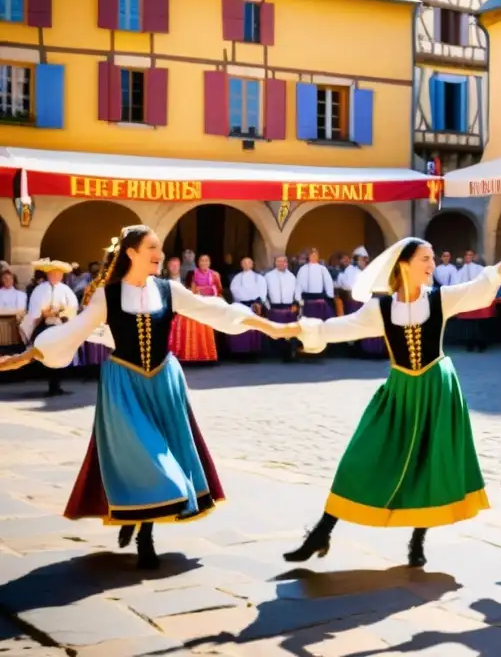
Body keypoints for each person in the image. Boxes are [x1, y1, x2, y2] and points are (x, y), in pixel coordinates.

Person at [0, 226, 290, 568]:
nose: (160, 254)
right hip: (123, 383)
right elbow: (70, 333)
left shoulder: (171, 291)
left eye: (160, 247)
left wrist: (271, 326)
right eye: (152, 247)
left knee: (161, 451)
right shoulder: (106, 296)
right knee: (144, 454)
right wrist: (23, 357)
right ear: (131, 253)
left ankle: (143, 528)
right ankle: (138, 522)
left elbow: (217, 312)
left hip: (164, 381)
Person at [283, 227, 501, 567]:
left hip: (437, 390)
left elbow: (491, 279)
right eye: (425, 259)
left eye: (432, 259)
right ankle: (322, 532)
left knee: (430, 464)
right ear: (404, 264)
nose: (432, 265)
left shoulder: (441, 298)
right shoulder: (380, 309)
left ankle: (417, 541)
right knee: (359, 458)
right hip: (400, 393)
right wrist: (297, 329)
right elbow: (339, 327)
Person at [21, 258, 79, 396]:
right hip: (45, 327)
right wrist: (44, 313)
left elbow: (73, 307)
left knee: (60, 356)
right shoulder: (40, 289)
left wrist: (63, 313)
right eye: (52, 274)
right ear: (48, 274)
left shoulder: (66, 289)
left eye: (58, 274)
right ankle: (50, 383)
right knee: (45, 355)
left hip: (61, 327)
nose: (55, 276)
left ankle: (56, 385)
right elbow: (34, 310)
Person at [169, 255, 222, 364]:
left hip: (212, 303)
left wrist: (205, 291)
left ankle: (212, 355)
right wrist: (200, 290)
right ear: (198, 262)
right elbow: (192, 290)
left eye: (206, 260)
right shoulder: (193, 274)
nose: (204, 262)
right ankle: (189, 353)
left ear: (210, 262)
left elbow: (219, 290)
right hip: (197, 303)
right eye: (202, 260)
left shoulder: (215, 274)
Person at [452, 250, 494, 352]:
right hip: (467, 298)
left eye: (470, 255)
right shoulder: (460, 270)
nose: (468, 257)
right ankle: (469, 344)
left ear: (474, 256)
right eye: (466, 255)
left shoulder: (479, 268)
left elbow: (487, 278)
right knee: (468, 323)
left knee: (479, 323)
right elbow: (456, 283)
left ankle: (481, 344)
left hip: (477, 298)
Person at [228, 257, 268, 358]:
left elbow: (262, 290)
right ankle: (242, 352)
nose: (246, 264)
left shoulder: (259, 277)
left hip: (254, 306)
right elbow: (234, 290)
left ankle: (254, 353)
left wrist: (258, 302)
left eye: (248, 263)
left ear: (252, 264)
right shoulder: (237, 278)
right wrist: (243, 296)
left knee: (254, 329)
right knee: (243, 329)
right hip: (242, 305)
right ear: (241, 264)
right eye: (244, 263)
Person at [264, 255, 300, 361]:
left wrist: (296, 303)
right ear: (275, 263)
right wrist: (268, 306)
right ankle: (276, 354)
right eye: (278, 261)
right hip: (274, 307)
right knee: (276, 331)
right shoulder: (268, 276)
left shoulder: (292, 277)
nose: (280, 263)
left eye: (283, 261)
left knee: (290, 332)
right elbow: (264, 292)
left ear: (286, 263)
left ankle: (290, 354)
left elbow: (297, 291)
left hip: (288, 307)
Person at [296, 248, 335, 322]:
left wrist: (330, 294)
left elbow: (328, 282)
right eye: (312, 255)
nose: (314, 257)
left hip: (319, 300)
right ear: (309, 257)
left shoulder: (322, 268)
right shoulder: (303, 269)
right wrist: (298, 297)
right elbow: (299, 283)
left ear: (318, 257)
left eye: (315, 255)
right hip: (307, 300)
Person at [0, 269, 27, 356]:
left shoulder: (20, 294)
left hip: (15, 324)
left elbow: (21, 309)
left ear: (13, 280)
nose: (8, 280)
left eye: (10, 278)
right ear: (1, 280)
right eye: (5, 278)